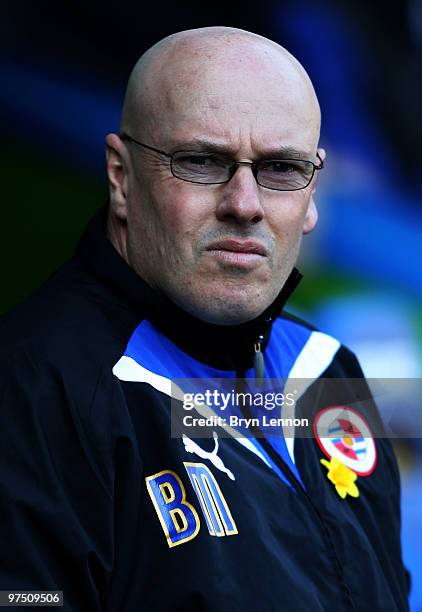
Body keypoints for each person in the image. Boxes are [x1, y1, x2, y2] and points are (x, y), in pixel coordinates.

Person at [0, 26, 409, 611]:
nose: (244, 204)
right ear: (121, 177)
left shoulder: (328, 373)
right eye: (201, 161)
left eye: (281, 169)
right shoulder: (35, 391)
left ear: (314, 189)